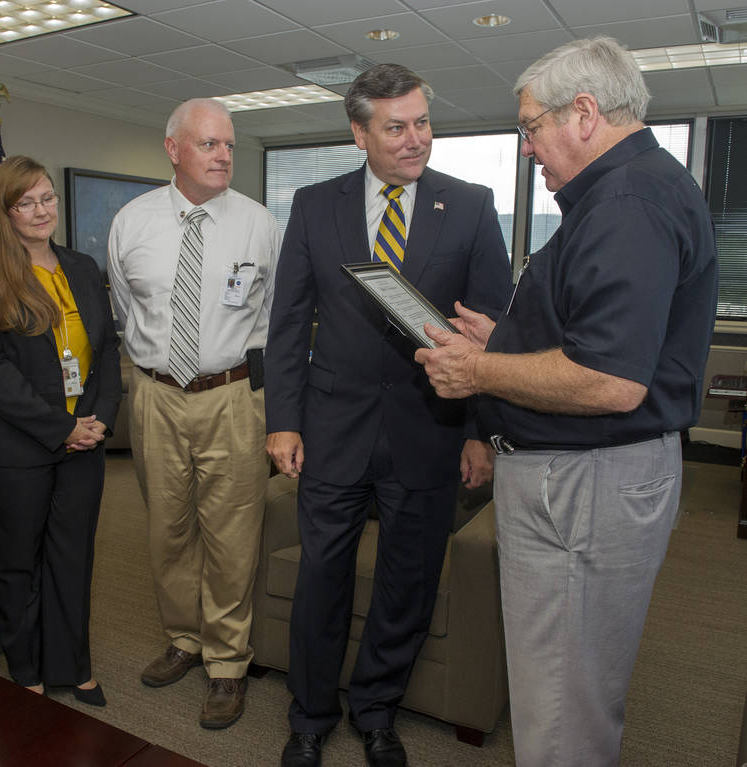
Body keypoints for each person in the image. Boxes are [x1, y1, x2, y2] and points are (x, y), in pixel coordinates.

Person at [415, 37, 718, 766]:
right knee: (566, 692)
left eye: (529, 126)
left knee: (559, 709)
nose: (526, 148)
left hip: (586, 483)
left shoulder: (625, 201)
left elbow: (610, 380)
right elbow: (591, 333)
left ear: (583, 113)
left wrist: (482, 370)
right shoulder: (628, 190)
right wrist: (509, 336)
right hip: (587, 478)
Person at [264, 64, 512, 767]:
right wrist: (281, 419)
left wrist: (479, 432)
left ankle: (375, 709)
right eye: (396, 126)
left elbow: (489, 332)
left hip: (429, 434)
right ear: (359, 132)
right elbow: (287, 324)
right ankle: (309, 716)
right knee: (321, 578)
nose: (415, 139)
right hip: (331, 431)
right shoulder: (315, 206)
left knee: (406, 582)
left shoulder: (467, 205)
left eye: (422, 122)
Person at [107, 98, 280, 730]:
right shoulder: (132, 221)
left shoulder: (259, 223)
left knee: (232, 533)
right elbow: (127, 312)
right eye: (209, 144)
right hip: (155, 394)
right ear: (174, 148)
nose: (224, 156)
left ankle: (228, 663)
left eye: (229, 145)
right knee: (167, 527)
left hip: (234, 395)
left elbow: (276, 317)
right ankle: (184, 639)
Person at [0, 156, 121, 706]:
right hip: (13, 447)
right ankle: (26, 673)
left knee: (73, 558)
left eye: (47, 198)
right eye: (25, 202)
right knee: (19, 563)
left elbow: (106, 352)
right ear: (3, 211)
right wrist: (61, 427)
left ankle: (73, 666)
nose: (41, 210)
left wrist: (96, 423)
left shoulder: (80, 264)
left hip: (83, 442)